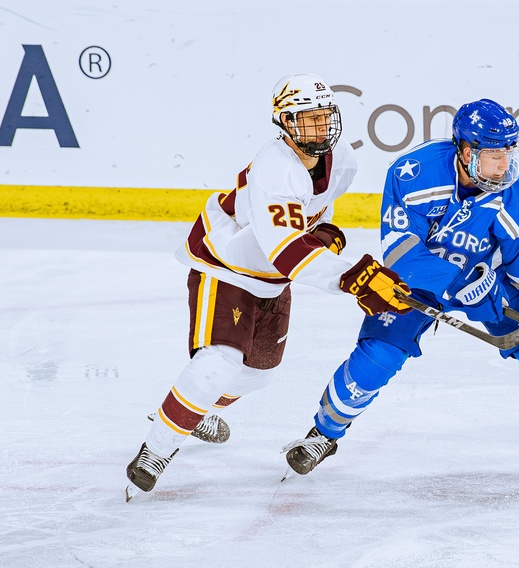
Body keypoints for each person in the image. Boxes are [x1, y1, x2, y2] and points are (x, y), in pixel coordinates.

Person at [282, 98, 519, 476]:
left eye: (509, 153)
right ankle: (324, 433)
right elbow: (401, 254)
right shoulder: (413, 173)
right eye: (493, 155)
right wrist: (459, 282)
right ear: (465, 151)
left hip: (494, 285)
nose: (504, 165)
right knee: (379, 355)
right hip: (424, 279)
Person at [125, 73, 411, 497]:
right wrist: (352, 278)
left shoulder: (343, 159)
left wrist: (327, 230)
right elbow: (286, 250)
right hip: (224, 264)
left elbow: (314, 211)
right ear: (285, 124)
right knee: (218, 362)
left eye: (325, 117)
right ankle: (157, 450)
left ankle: (198, 410)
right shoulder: (274, 168)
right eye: (307, 120)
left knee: (257, 375)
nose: (320, 128)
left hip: (271, 279)